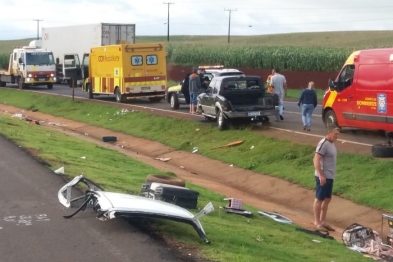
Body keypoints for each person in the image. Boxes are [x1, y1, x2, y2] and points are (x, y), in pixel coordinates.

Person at [313, 126, 340, 232]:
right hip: (323, 176)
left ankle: (323, 221)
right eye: (335, 134)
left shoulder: (331, 144)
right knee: (319, 199)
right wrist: (321, 175)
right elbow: (316, 159)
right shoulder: (323, 144)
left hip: (329, 176)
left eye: (338, 134)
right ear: (329, 133)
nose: (337, 136)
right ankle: (317, 222)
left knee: (327, 199)